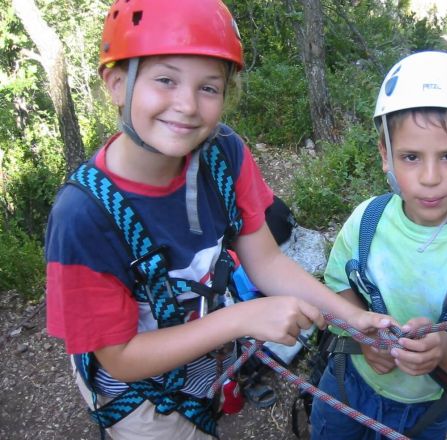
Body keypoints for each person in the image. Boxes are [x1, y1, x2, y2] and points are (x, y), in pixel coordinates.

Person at [43, 1, 391, 439]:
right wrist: (242, 319)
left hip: (202, 364)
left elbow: (265, 261)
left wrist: (351, 317)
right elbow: (120, 357)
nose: (187, 105)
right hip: (139, 398)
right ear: (117, 84)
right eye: (165, 79)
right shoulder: (84, 217)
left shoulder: (223, 156)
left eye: (209, 87)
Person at [309, 51, 447, 439]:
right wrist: (361, 332)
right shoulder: (367, 220)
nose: (430, 178)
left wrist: (443, 348)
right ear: (385, 155)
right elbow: (337, 289)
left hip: (424, 411)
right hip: (347, 384)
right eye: (410, 157)